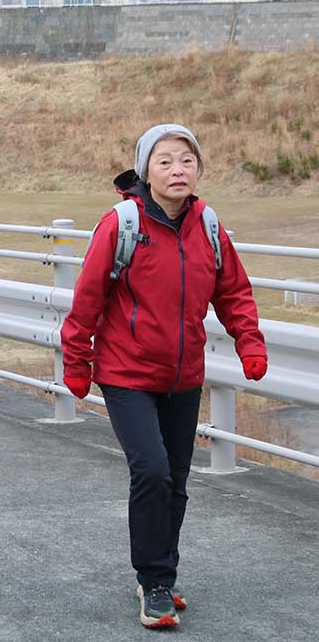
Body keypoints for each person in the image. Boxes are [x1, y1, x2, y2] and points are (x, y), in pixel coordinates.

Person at [60, 123, 267, 630]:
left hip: (183, 374)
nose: (178, 170)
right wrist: (76, 360)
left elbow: (233, 291)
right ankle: (152, 581)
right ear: (145, 170)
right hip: (126, 372)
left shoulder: (209, 226)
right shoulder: (122, 224)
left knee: (175, 479)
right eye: (166, 161)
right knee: (150, 471)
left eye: (187, 161)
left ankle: (162, 574)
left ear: (199, 170)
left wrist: (250, 342)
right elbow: (87, 298)